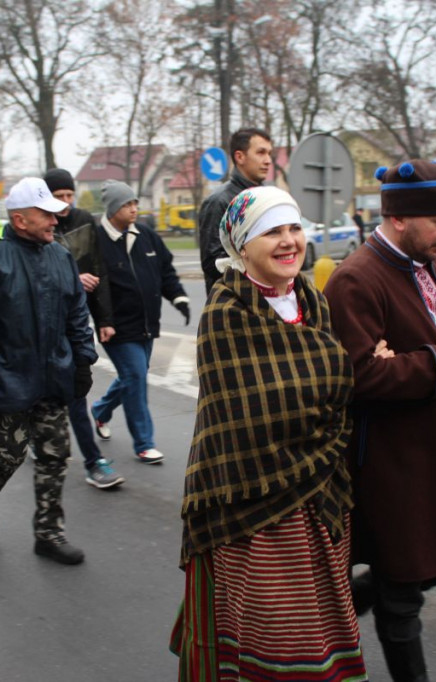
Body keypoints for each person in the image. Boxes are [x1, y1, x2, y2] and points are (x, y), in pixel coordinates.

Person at [171, 186, 367, 681]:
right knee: (274, 632)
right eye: (271, 232)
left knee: (322, 623)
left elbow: (329, 385)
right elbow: (269, 412)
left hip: (320, 496)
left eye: (294, 228)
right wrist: (341, 381)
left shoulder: (313, 303)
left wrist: (339, 384)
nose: (288, 242)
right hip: (254, 505)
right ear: (241, 245)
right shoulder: (226, 314)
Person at [324, 156, 436, 682]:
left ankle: (347, 596)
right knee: (406, 591)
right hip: (396, 465)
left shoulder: (428, 263)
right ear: (398, 219)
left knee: (431, 567)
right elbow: (359, 376)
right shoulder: (356, 280)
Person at [0, 177, 97, 566]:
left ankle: (49, 533)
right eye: (45, 214)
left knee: (54, 454)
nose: (54, 221)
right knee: (9, 454)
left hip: (53, 377)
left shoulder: (60, 257)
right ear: (19, 219)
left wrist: (83, 360)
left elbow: (77, 314)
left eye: (56, 214)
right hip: (5, 379)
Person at [90, 180, 190, 465]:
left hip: (146, 324)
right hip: (115, 328)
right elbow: (95, 288)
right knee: (135, 376)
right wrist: (103, 321)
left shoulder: (145, 235)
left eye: (135, 203)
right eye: (127, 204)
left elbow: (166, 270)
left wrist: (179, 297)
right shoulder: (96, 242)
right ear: (112, 209)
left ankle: (100, 410)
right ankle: (144, 443)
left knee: (132, 376)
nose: (134, 208)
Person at [43, 168, 122, 489]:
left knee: (76, 394)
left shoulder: (84, 220)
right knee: (41, 396)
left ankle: (93, 462)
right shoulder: (38, 226)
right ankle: (35, 441)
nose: (65, 202)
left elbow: (98, 269)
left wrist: (104, 319)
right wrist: (73, 279)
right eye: (58, 196)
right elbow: (35, 275)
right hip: (42, 327)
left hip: (74, 323)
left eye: (69, 195)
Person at [198, 127, 273, 293]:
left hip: (267, 302)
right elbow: (213, 263)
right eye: (261, 152)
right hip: (232, 307)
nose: (268, 160)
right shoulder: (219, 201)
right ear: (240, 157)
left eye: (269, 153)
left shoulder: (267, 199)